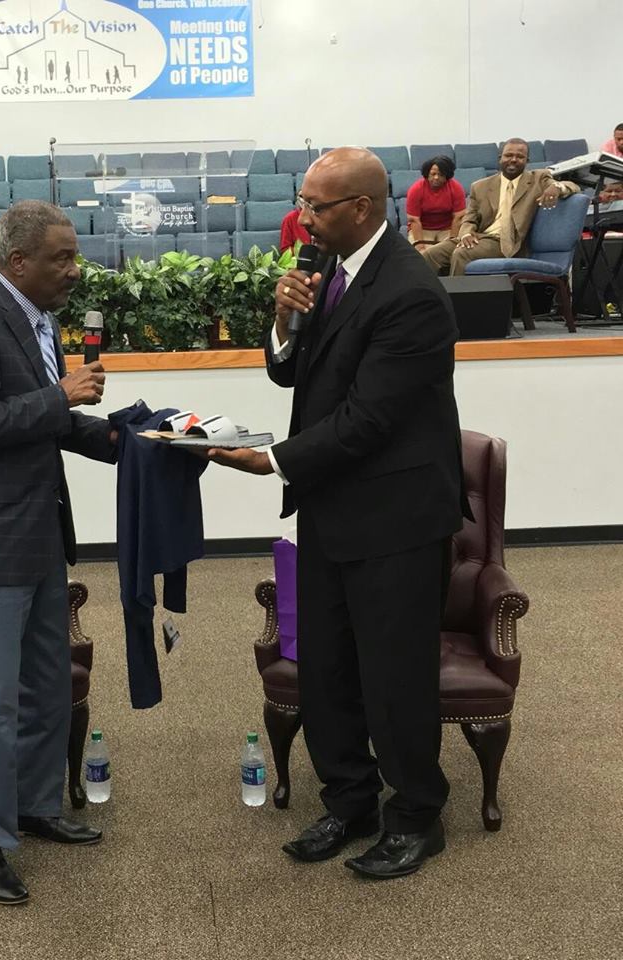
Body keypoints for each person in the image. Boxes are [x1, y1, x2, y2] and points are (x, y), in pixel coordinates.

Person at [206, 147, 470, 879]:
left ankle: (417, 815)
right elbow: (291, 369)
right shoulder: (331, 269)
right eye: (303, 202)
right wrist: (285, 320)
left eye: (317, 206)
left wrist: (274, 461)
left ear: (360, 208)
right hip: (330, 508)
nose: (304, 217)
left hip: (396, 520)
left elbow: (368, 421)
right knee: (327, 670)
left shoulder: (411, 293)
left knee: (394, 676)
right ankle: (349, 800)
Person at [0, 200, 117, 905]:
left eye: (74, 256)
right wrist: (59, 394)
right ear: (17, 263)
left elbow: (49, 421)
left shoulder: (39, 321)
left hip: (39, 532)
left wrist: (128, 441)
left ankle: (34, 806)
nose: (74, 269)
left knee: (46, 687)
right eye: (61, 258)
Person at [423, 138, 580, 276]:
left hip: (507, 243)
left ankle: (458, 307)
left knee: (462, 253)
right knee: (430, 254)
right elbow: (469, 219)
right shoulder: (480, 186)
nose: (513, 159)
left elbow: (572, 186)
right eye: (508, 155)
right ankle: (427, 303)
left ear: (527, 160)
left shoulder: (538, 178)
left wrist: (556, 188)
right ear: (500, 158)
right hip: (480, 238)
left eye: (520, 156)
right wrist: (466, 234)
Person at [406, 155, 466, 251]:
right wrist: (420, 244)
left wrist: (452, 242)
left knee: (453, 253)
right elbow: (414, 220)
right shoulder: (416, 189)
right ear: (427, 174)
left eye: (441, 175)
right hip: (423, 229)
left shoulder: (456, 188)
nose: (436, 177)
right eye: (433, 174)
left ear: (447, 176)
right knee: (422, 255)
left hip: (448, 229)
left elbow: (458, 217)